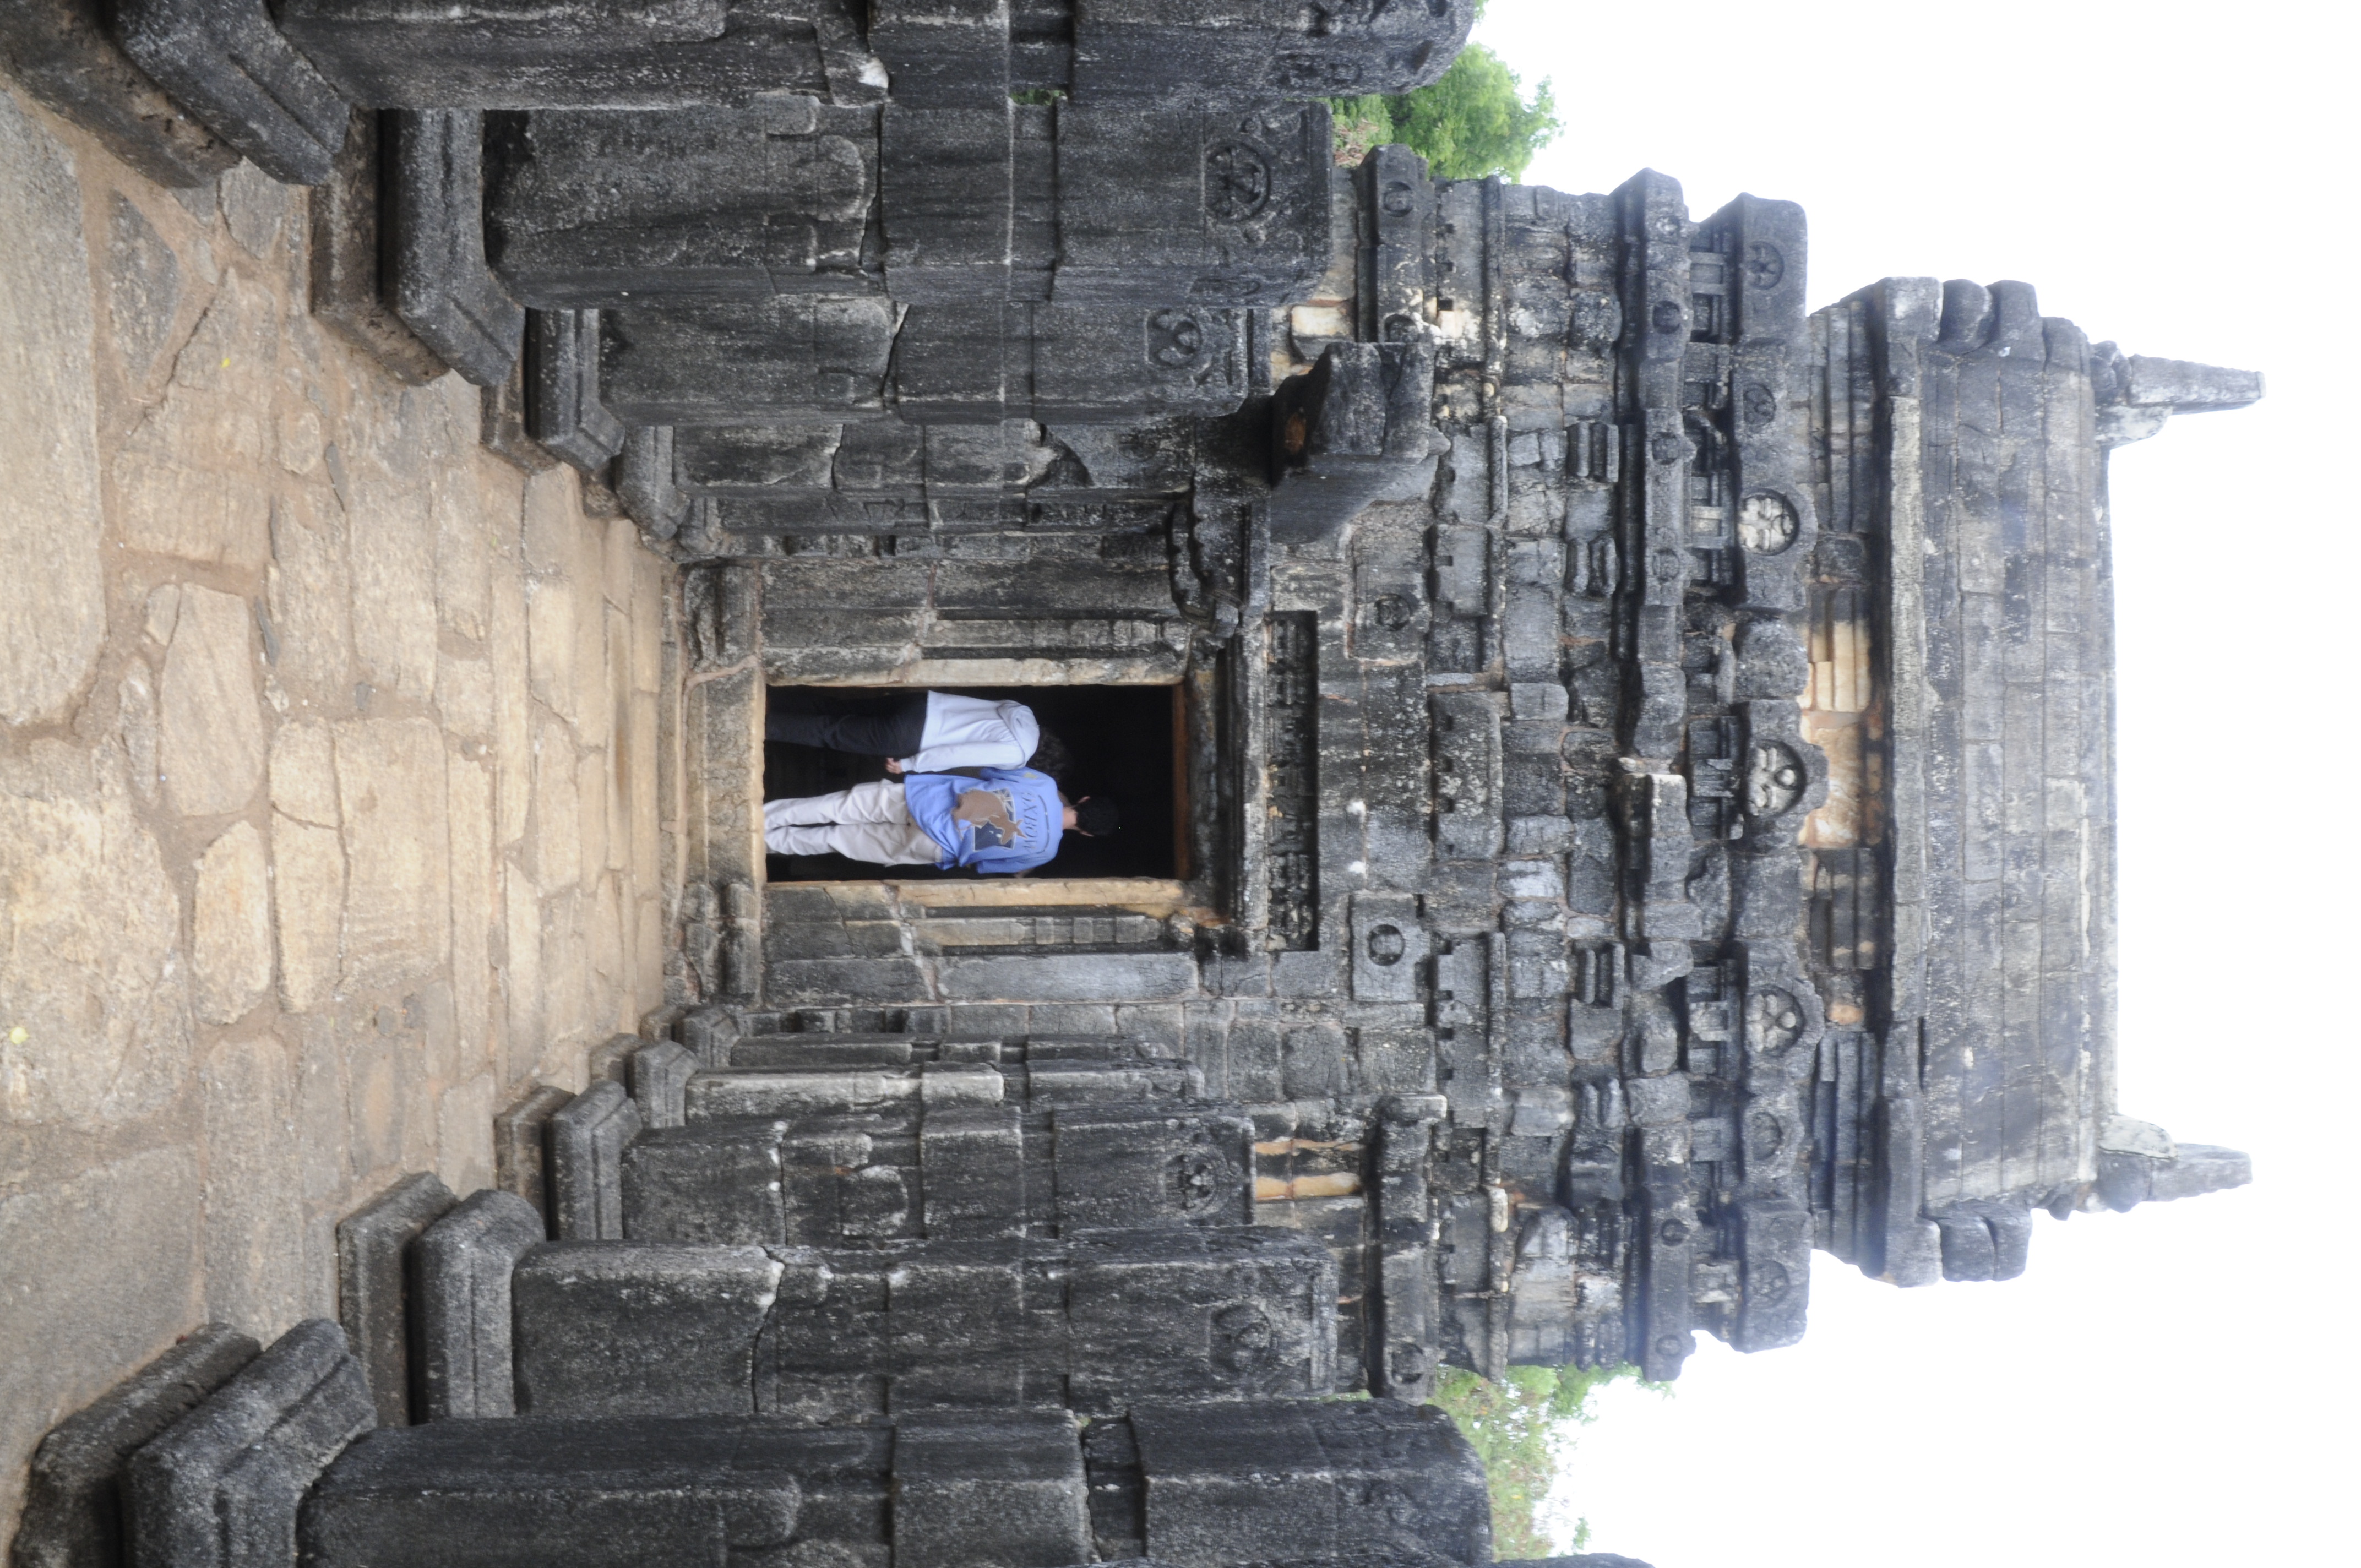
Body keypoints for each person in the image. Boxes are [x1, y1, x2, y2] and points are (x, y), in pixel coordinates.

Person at [765, 767, 1121, 873]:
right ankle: (763, 843)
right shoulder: (1043, 854)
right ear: (1087, 834)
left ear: (1084, 800)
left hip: (930, 802)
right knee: (834, 840)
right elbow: (983, 866)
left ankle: (758, 819)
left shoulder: (1043, 784)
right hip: (936, 846)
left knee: (838, 807)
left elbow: (989, 772)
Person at [766, 690, 1070, 777]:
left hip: (923, 704)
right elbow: (957, 753)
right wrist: (910, 765)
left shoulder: (1024, 713)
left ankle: (771, 700)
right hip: (913, 736)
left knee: (836, 707)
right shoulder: (1016, 754)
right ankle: (764, 725)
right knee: (831, 733)